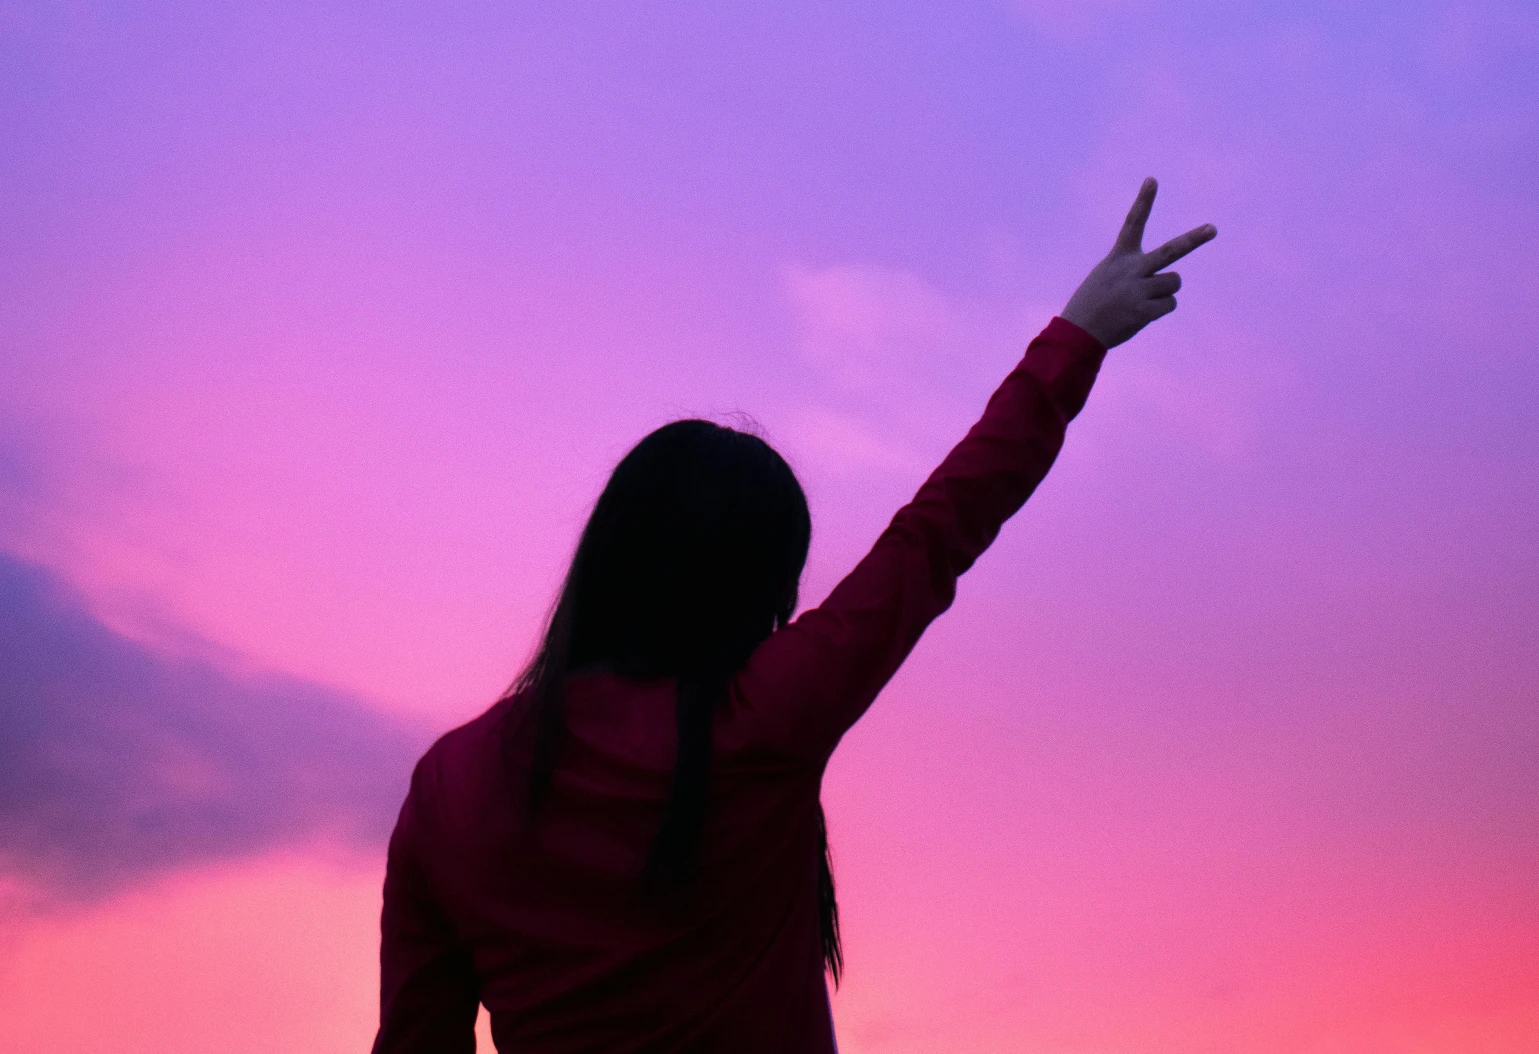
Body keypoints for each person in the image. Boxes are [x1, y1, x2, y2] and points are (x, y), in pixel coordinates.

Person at [373, 177, 1216, 1053]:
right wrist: (1076, 339)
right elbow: (937, 531)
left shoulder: (449, 786)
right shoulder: (758, 722)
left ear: (607, 557)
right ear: (760, 590)